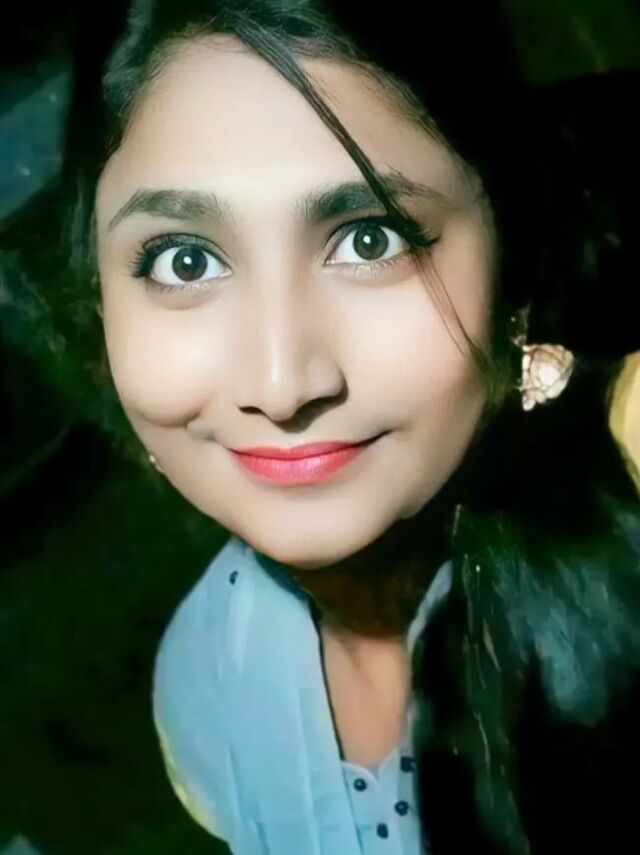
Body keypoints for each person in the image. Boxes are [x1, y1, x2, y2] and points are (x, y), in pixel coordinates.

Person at [57, 1, 640, 852]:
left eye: (370, 239)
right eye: (186, 258)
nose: (281, 384)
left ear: (512, 260)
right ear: (101, 307)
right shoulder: (208, 688)